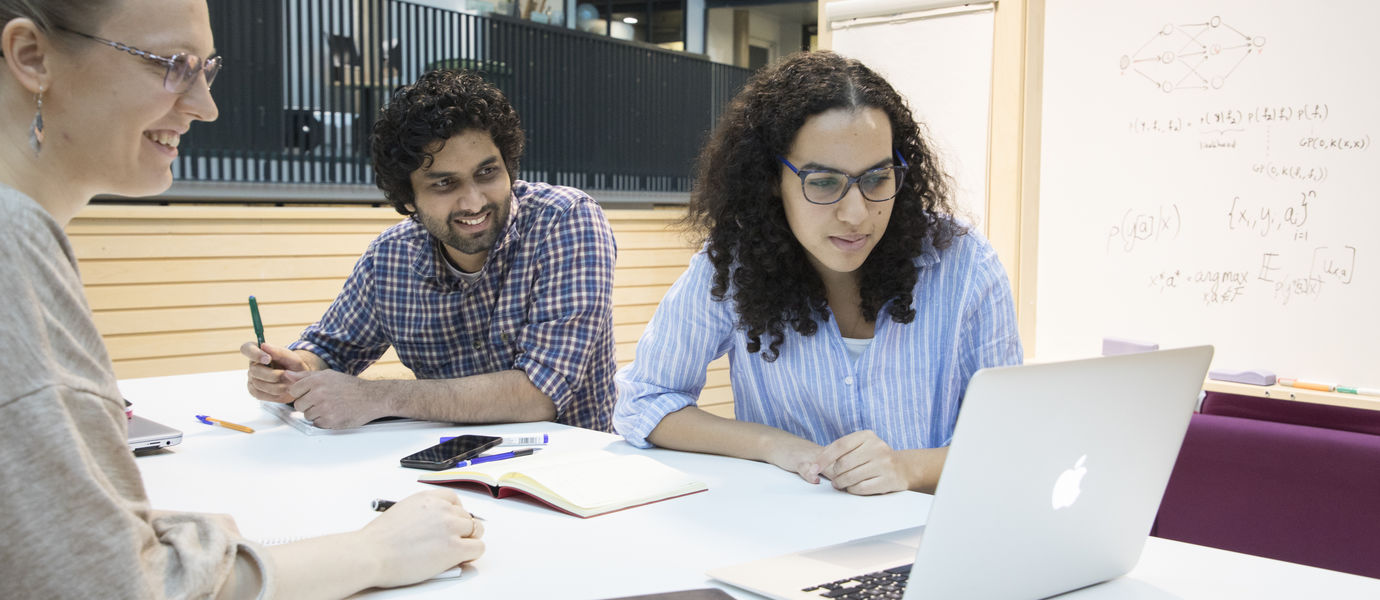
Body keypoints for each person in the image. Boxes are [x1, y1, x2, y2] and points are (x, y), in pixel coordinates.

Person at [0, 2, 484, 598]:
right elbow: (111, 585)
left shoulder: (564, 222)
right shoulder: (12, 242)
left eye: (208, 70)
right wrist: (376, 553)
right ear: (32, 56)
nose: (206, 106)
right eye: (172, 64)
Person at [613, 51, 1023, 496]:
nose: (856, 214)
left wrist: (907, 469)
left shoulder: (964, 264)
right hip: (789, 530)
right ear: (772, 178)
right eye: (824, 183)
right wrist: (772, 444)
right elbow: (645, 400)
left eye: (877, 178)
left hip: (930, 530)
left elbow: (1011, 440)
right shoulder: (736, 264)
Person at [241, 69, 618, 432]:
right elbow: (330, 350)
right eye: (444, 184)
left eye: (487, 173)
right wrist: (295, 372)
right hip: (443, 463)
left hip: (570, 465)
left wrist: (378, 397)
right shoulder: (391, 258)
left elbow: (539, 395)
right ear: (409, 199)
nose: (474, 202)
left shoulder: (565, 221)